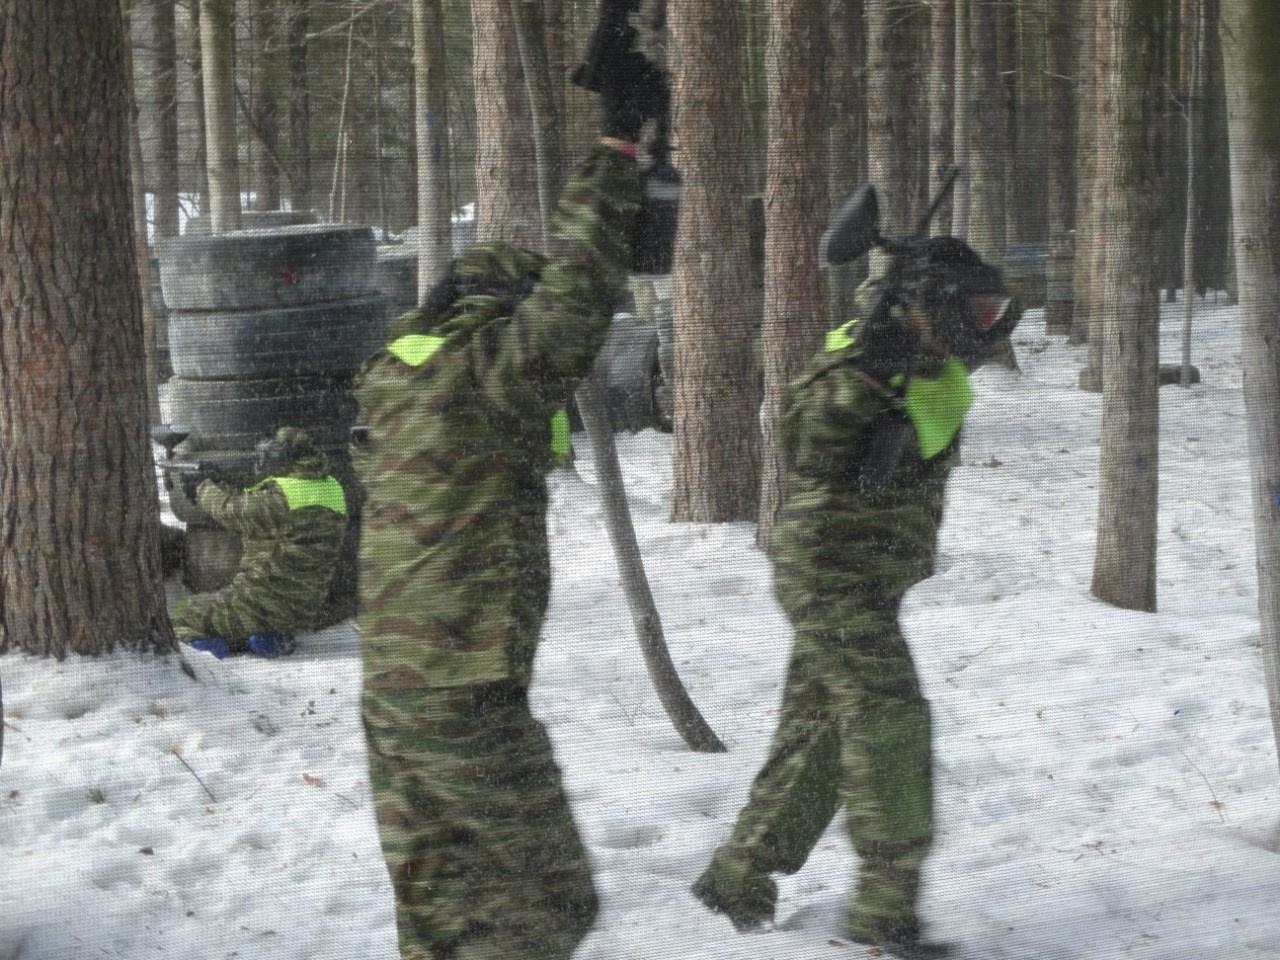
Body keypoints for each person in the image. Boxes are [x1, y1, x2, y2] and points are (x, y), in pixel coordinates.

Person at [352, 7, 667, 957]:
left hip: (396, 701)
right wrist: (618, 149)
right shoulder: (481, 379)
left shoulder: (397, 374)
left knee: (444, 920)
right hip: (461, 702)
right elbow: (572, 302)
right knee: (548, 903)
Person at [691, 236, 1017, 959]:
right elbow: (802, 445)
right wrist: (869, 370)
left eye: (990, 309)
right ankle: (885, 909)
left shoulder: (931, 355)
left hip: (873, 578)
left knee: (819, 736)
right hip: (830, 577)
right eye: (972, 309)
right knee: (890, 721)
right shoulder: (856, 354)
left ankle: (737, 878)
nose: (984, 324)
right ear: (926, 304)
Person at [176, 426, 348, 660]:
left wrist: (202, 488)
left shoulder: (281, 499)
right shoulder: (330, 487)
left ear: (283, 459)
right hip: (303, 609)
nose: (261, 463)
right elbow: (262, 508)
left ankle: (203, 650)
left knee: (175, 615)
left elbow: (231, 510)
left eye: (267, 457)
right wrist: (221, 481)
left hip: (257, 605)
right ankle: (270, 638)